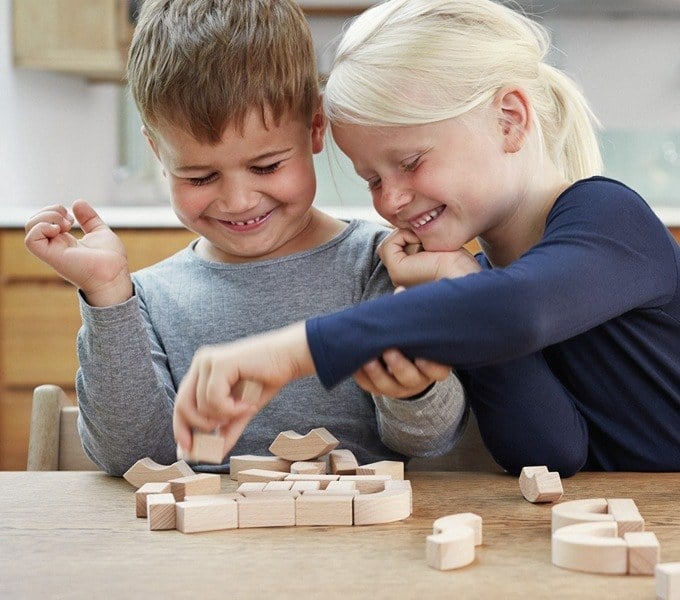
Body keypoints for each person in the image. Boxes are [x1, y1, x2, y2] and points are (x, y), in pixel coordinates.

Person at [173, 0, 680, 475]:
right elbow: (550, 452)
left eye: (411, 162)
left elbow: (517, 310)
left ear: (509, 121)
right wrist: (460, 280)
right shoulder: (484, 287)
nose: (389, 201)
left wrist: (288, 353)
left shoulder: (610, 218)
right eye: (371, 179)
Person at [23, 0, 467, 477]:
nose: (237, 201)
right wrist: (109, 297)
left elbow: (429, 438)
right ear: (157, 152)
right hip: (203, 547)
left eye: (266, 166)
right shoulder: (146, 299)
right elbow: (131, 457)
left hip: (352, 542)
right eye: (198, 177)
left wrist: (410, 386)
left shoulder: (380, 265)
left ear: (315, 127)